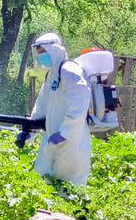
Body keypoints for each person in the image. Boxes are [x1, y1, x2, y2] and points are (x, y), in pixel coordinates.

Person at [29, 33, 92, 185]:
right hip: (52, 139)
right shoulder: (51, 75)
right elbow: (40, 108)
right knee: (44, 181)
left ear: (54, 49)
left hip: (72, 143)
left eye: (43, 52)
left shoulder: (69, 71)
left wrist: (66, 133)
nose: (41, 57)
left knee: (70, 188)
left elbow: (79, 104)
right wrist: (29, 132)